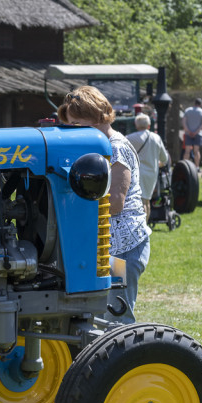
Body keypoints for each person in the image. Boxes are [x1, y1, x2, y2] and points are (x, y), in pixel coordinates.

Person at [58, 86, 151, 324]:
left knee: (117, 314)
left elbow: (116, 203)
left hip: (124, 249)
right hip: (107, 246)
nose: (75, 131)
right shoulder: (96, 146)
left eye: (79, 124)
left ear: (99, 116)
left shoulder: (116, 147)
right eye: (71, 125)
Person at [126, 113, 170, 214]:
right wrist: (157, 164)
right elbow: (164, 159)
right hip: (151, 173)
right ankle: (145, 227)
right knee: (146, 202)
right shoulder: (156, 138)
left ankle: (141, 227)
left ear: (136, 125)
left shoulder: (129, 138)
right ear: (149, 125)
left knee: (140, 202)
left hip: (137, 173)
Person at [182, 98, 202, 168]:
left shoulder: (187, 110)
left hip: (188, 134)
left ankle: (185, 166)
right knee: (196, 151)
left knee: (187, 151)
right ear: (201, 104)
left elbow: (184, 122)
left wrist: (188, 131)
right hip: (198, 134)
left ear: (194, 103)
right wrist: (196, 132)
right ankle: (197, 167)